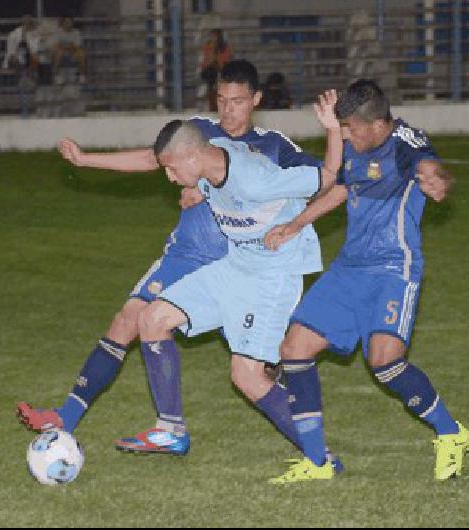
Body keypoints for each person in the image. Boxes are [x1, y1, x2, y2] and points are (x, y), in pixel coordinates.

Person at [17, 61, 340, 467]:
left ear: (256, 101)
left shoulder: (273, 148)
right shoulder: (196, 134)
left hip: (242, 261)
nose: (228, 110)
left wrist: (290, 217)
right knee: (132, 319)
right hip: (188, 255)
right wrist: (87, 160)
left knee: (251, 369)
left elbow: (322, 180)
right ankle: (72, 416)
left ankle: (306, 411)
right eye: (221, 100)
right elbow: (154, 159)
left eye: (238, 102)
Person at [264, 80, 469, 484]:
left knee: (385, 362)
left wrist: (437, 181)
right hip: (349, 268)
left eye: (350, 129)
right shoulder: (357, 146)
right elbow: (341, 188)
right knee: (294, 348)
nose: (346, 136)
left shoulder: (404, 143)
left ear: (375, 124)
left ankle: (451, 434)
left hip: (394, 269)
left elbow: (431, 168)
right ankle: (318, 462)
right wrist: (295, 223)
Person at [123, 106, 340, 459]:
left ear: (193, 157)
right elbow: (207, 176)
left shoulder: (254, 179)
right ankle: (170, 431)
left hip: (273, 274)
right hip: (236, 264)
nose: (169, 178)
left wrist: (332, 129)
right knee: (151, 319)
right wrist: (200, 190)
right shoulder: (209, 156)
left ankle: (321, 458)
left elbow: (329, 176)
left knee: (247, 375)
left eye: (172, 169)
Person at [2, 16, 39, 117]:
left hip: (33, 62)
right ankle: (25, 109)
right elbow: (11, 53)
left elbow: (36, 51)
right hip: (19, 63)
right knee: (23, 80)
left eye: (30, 23)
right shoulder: (14, 34)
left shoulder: (36, 34)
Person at [200, 29, 232, 111]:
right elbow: (205, 61)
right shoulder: (208, 47)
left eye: (214, 36)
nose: (212, 39)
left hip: (221, 71)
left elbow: (226, 61)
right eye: (211, 37)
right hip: (211, 73)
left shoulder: (224, 48)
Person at [53, 16, 87, 85]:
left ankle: (82, 76)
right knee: (59, 52)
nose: (68, 24)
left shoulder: (76, 32)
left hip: (73, 53)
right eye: (66, 22)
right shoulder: (58, 32)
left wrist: (66, 46)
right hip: (61, 52)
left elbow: (77, 46)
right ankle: (57, 76)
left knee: (81, 53)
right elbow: (56, 45)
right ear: (63, 23)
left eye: (70, 22)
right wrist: (69, 46)